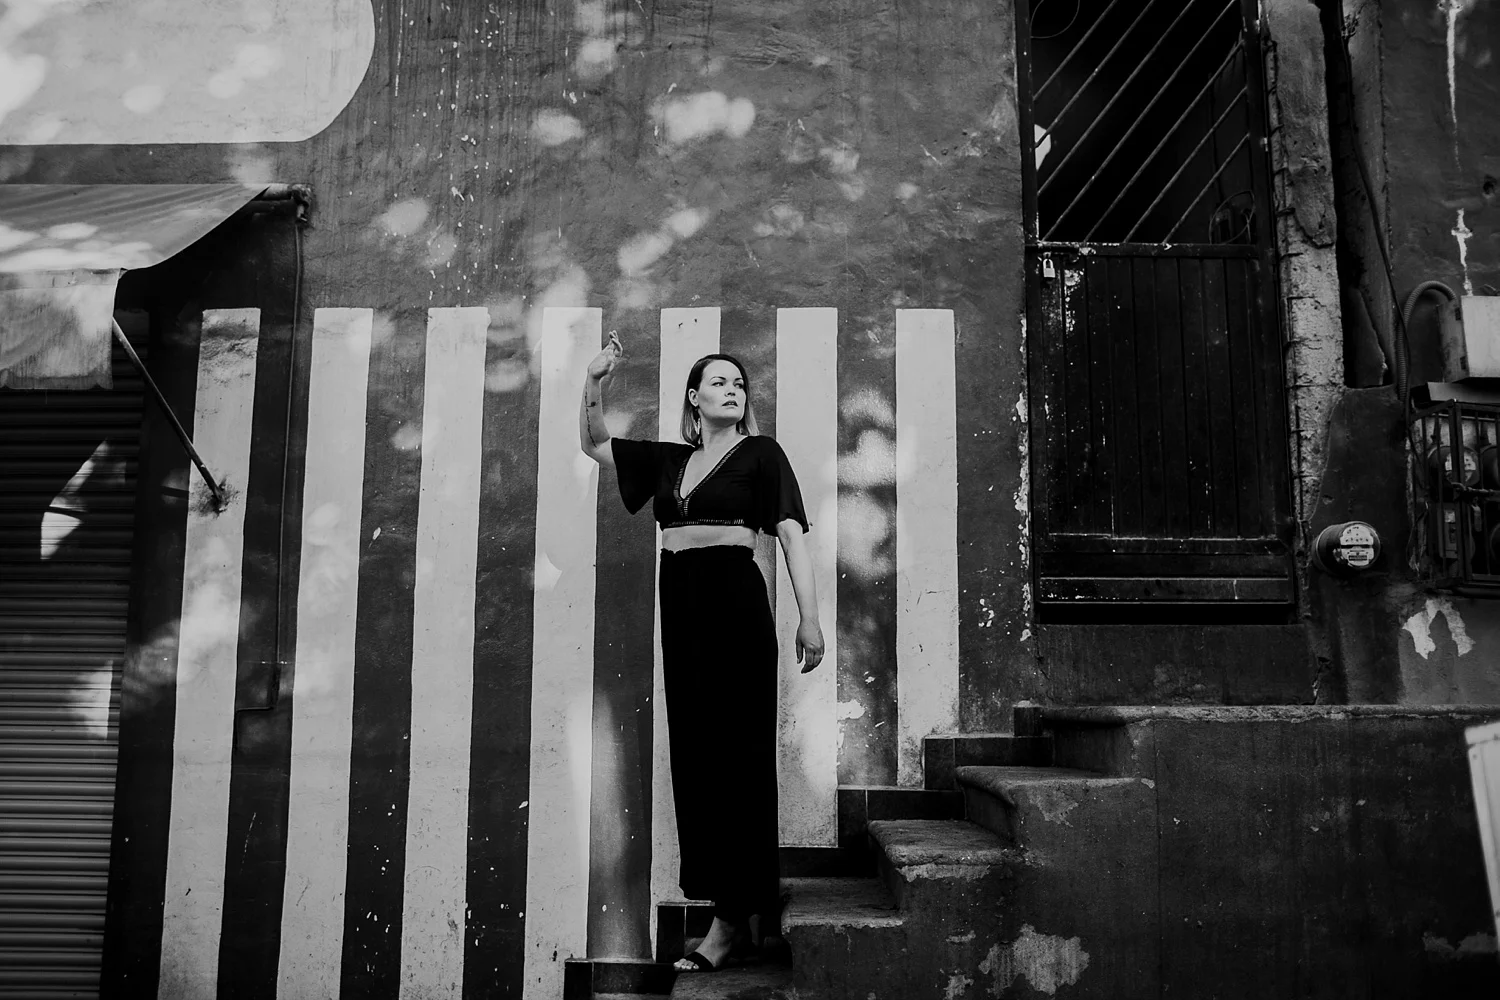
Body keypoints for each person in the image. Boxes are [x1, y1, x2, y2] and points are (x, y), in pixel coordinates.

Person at [579, 331, 825, 972]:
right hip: (682, 607)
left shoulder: (762, 453)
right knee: (697, 758)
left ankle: (729, 923)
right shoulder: (668, 461)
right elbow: (596, 443)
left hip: (735, 604)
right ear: (694, 398)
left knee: (741, 757)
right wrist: (594, 380)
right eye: (718, 382)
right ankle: (737, 907)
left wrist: (809, 618)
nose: (732, 389)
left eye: (739, 383)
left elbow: (791, 535)